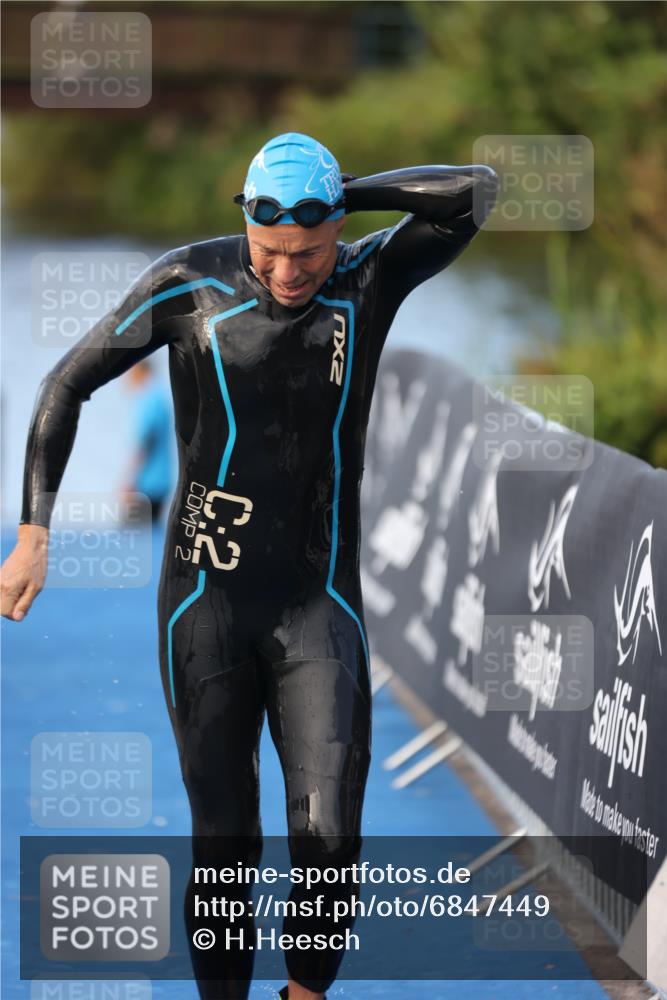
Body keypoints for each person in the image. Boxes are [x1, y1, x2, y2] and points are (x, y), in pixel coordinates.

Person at [0, 132, 498, 999]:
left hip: (318, 601)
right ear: (244, 226)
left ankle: (304, 994)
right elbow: (65, 384)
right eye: (270, 252)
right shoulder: (187, 282)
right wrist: (33, 532)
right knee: (225, 841)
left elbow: (474, 192)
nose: (289, 271)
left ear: (337, 230)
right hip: (205, 601)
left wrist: (344, 192)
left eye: (308, 251)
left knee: (331, 837)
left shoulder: (368, 278)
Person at [121, 358, 173, 524]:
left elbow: (147, 442)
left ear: (140, 372)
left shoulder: (150, 399)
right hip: (160, 481)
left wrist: (131, 481)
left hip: (147, 485)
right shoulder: (158, 396)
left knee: (132, 539)